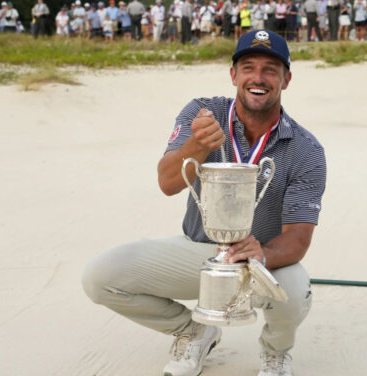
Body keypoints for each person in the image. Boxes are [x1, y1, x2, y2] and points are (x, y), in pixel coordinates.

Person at [83, 28, 325, 376]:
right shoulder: (202, 112)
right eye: (248, 67)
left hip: (256, 265)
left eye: (271, 69)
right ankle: (195, 332)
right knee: (99, 276)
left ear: (286, 79)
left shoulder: (307, 149)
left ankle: (275, 353)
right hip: (197, 253)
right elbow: (167, 182)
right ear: (233, 75)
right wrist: (197, 144)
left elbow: (299, 238)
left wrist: (264, 255)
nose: (258, 78)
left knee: (296, 287)